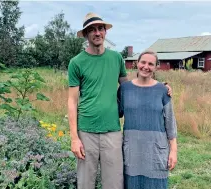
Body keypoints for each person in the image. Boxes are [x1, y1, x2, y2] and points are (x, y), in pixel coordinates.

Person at [68, 12, 172, 189]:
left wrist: (158, 86)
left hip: (113, 131)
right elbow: (72, 101)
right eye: (92, 30)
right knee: (86, 183)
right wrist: (74, 138)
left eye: (100, 28)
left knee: (114, 183)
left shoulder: (116, 58)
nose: (97, 33)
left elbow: (130, 87)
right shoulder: (76, 62)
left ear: (105, 32)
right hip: (86, 130)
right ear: (86, 34)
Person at [117, 51, 178, 189]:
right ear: (136, 64)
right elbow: (116, 113)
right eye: (143, 62)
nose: (146, 66)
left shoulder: (163, 90)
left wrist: (173, 151)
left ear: (156, 67)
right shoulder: (125, 89)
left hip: (156, 150)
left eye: (151, 64)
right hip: (132, 150)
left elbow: (170, 123)